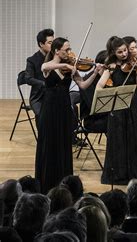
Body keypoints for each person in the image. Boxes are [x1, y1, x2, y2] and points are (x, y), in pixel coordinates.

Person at [36, 37, 101, 193]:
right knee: (50, 145)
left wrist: (95, 72)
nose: (70, 53)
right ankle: (47, 185)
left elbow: (83, 85)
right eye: (66, 50)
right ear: (56, 51)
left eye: (70, 49)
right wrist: (65, 64)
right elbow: (44, 66)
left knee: (64, 145)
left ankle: (63, 186)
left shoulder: (71, 67)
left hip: (64, 110)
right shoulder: (50, 67)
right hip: (50, 111)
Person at [96, 36, 137, 185]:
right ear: (113, 52)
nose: (123, 54)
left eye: (125, 51)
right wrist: (112, 92)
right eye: (120, 52)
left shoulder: (133, 64)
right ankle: (120, 175)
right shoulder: (110, 66)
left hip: (135, 106)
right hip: (118, 107)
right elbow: (99, 86)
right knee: (119, 141)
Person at [25, 28, 54, 120]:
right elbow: (28, 79)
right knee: (43, 115)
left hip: (54, 95)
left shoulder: (56, 58)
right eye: (50, 43)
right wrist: (43, 83)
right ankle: (43, 134)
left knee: (71, 109)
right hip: (39, 97)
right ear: (41, 44)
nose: (53, 45)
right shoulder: (32, 60)